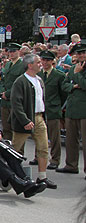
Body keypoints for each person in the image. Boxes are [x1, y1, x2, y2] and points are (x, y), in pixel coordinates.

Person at [10, 54, 57, 189]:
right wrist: (24, 120)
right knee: (16, 149)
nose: (40, 64)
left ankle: (42, 176)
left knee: (43, 147)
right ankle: (15, 176)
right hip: (25, 119)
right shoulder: (20, 81)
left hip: (39, 117)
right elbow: (16, 103)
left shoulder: (39, 80)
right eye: (37, 62)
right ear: (30, 65)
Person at [36, 51, 69, 171]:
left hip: (53, 108)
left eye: (47, 60)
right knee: (38, 134)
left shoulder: (59, 75)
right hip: (40, 108)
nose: (45, 63)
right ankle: (38, 156)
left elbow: (63, 93)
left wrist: (59, 106)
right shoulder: (38, 74)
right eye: (43, 60)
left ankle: (55, 159)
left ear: (52, 61)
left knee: (54, 136)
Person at [58, 43, 86, 175]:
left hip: (84, 110)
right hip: (71, 109)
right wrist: (73, 87)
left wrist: (78, 75)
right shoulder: (74, 67)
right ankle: (71, 165)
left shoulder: (77, 70)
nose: (80, 56)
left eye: (83, 53)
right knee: (70, 140)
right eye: (78, 54)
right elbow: (64, 85)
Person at [0, 43, 24, 140]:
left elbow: (19, 83)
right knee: (6, 127)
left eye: (14, 51)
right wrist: (2, 92)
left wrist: (8, 93)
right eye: (10, 52)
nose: (12, 54)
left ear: (19, 51)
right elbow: (3, 79)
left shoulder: (22, 65)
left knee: (15, 128)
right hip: (5, 101)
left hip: (14, 99)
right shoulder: (8, 64)